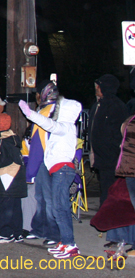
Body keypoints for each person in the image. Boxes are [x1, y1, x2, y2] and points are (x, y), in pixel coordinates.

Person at [19, 92, 83, 259]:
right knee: (58, 207)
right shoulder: (66, 127)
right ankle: (65, 241)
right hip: (59, 170)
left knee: (60, 208)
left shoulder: (64, 126)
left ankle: (70, 244)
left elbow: (49, 124)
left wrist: (30, 114)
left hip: (62, 170)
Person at [92, 109, 135, 258]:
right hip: (127, 171)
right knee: (116, 199)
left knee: (123, 201)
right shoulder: (130, 120)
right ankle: (119, 238)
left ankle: (123, 239)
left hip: (129, 170)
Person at [23, 80, 60, 244]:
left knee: (48, 199)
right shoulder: (50, 110)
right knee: (42, 197)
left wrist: (31, 169)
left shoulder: (47, 111)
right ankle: (40, 229)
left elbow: (38, 142)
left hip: (48, 160)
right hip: (50, 159)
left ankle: (52, 233)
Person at [88, 74, 128, 208]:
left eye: (99, 86)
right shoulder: (97, 105)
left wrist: (111, 151)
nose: (96, 88)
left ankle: (109, 221)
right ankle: (106, 220)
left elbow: (119, 133)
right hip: (101, 158)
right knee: (105, 188)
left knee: (110, 190)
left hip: (112, 158)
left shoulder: (117, 106)